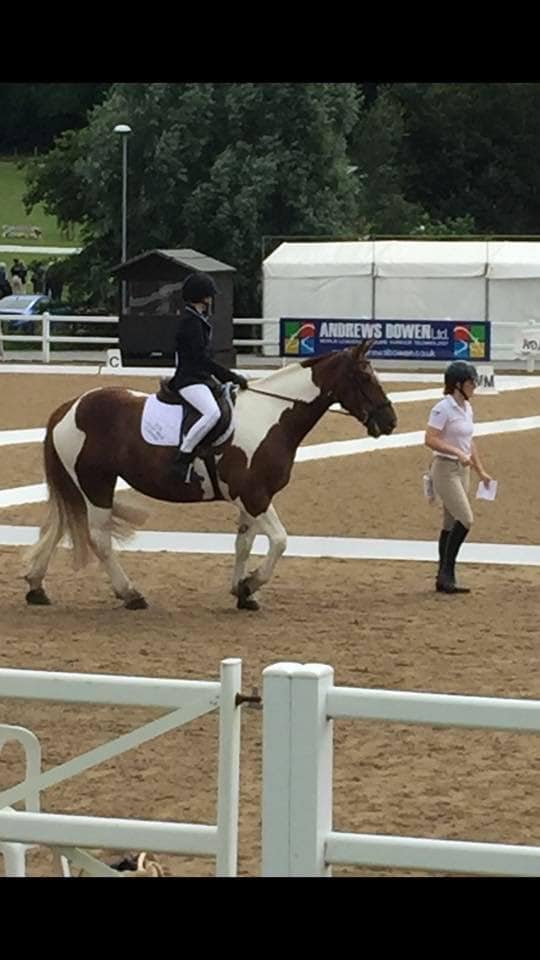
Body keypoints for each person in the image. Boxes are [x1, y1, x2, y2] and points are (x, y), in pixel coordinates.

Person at [168, 271, 248, 481]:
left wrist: (225, 380)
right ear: (202, 297)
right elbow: (200, 360)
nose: (211, 299)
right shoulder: (190, 323)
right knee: (212, 413)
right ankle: (183, 458)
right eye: (209, 295)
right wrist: (229, 375)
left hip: (200, 378)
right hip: (189, 380)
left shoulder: (197, 320)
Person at [424, 360, 493, 594]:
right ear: (457, 385)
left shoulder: (466, 408)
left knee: (450, 522)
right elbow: (430, 438)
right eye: (470, 382)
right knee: (466, 519)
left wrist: (479, 470)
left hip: (462, 470)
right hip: (444, 469)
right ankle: (447, 571)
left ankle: (443, 577)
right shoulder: (443, 408)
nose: (474, 385)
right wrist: (455, 452)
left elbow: (469, 441)